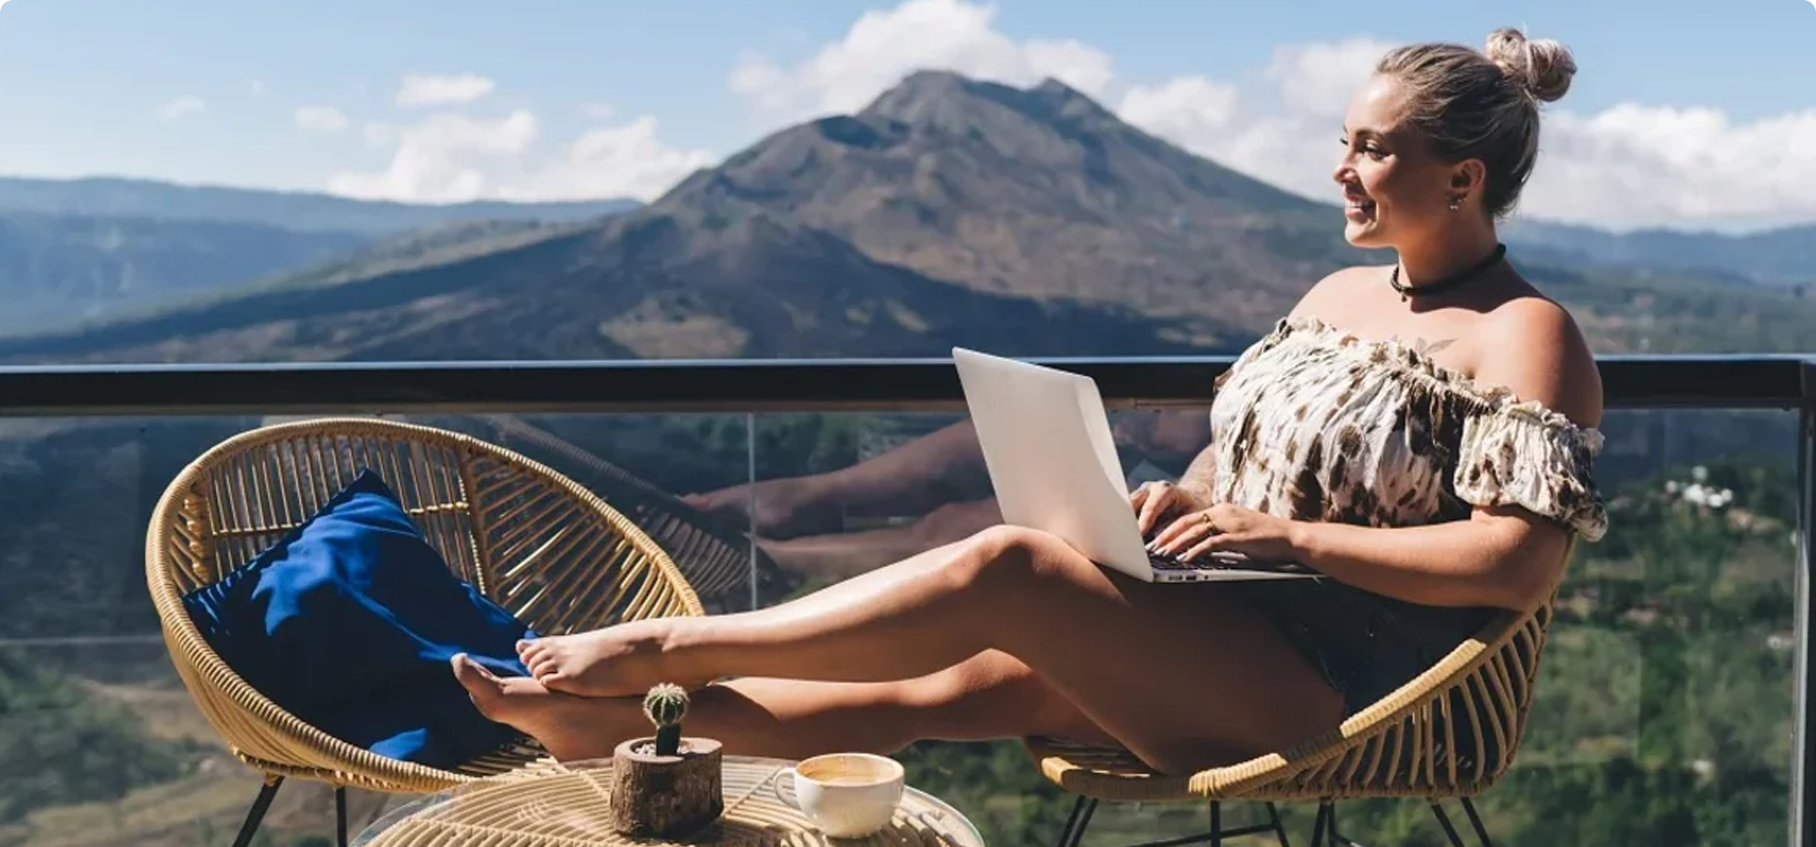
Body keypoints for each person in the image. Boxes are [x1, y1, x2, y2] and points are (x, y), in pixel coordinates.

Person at [451, 27, 1608, 777]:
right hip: (1220, 626)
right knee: (920, 692)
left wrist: (1286, 535)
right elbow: (1241, 463)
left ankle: (666, 646)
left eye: (1373, 149)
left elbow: (1517, 564)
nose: (1341, 168)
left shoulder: (1521, 333)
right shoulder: (1334, 291)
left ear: (1461, 179)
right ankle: (604, 726)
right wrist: (1184, 498)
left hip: (1354, 687)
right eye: (1342, 142)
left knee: (1005, 567)